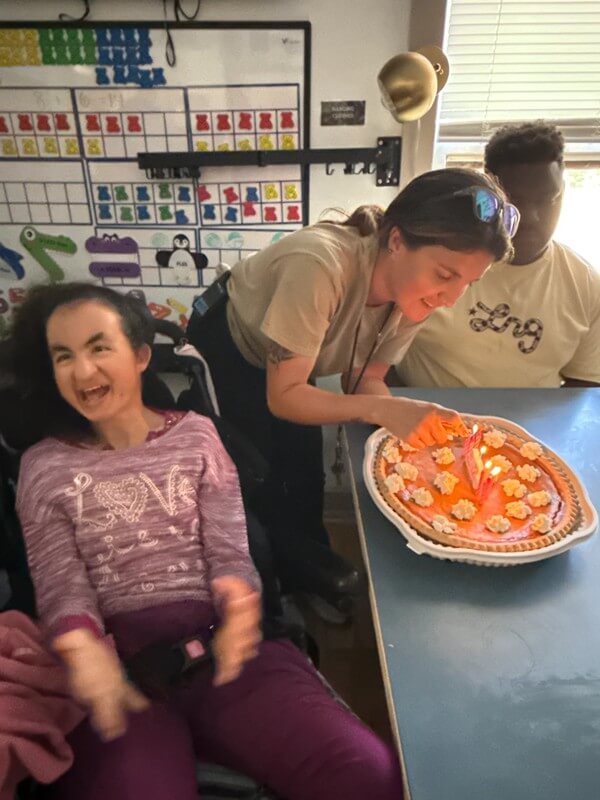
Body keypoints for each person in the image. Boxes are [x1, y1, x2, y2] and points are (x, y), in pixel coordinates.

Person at [9, 283, 403, 800]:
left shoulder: (196, 436)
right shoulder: (43, 467)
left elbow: (229, 548)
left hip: (223, 643)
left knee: (365, 771)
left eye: (99, 347)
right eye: (64, 356)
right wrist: (82, 646)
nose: (83, 371)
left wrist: (239, 600)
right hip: (118, 668)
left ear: (140, 356)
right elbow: (62, 584)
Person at [187, 167, 515, 589]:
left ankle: (309, 570)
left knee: (305, 467)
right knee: (253, 468)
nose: (451, 298)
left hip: (289, 370)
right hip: (232, 341)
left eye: (468, 283)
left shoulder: (414, 293)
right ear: (396, 241)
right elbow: (284, 397)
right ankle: (265, 588)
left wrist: (417, 440)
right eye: (445, 275)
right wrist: (383, 409)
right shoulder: (319, 267)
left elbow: (363, 380)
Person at [396, 123, 600, 387]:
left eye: (548, 200)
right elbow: (370, 362)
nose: (532, 218)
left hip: (529, 414)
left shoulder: (587, 287)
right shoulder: (434, 261)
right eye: (516, 201)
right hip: (419, 408)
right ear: (488, 194)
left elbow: (586, 385)